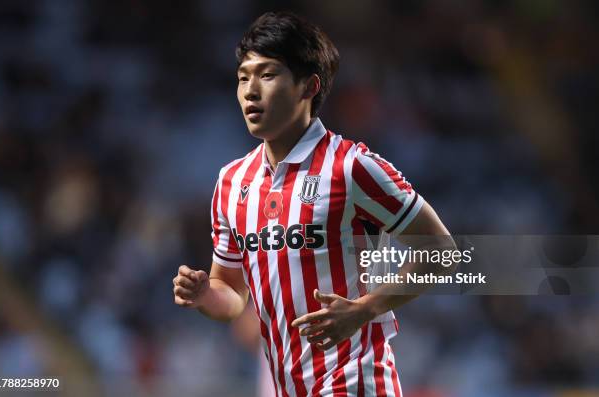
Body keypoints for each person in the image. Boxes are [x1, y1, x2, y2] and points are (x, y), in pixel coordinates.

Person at [173, 11, 454, 397]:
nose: (250, 90)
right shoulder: (231, 181)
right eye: (243, 77)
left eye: (267, 75)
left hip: (356, 383)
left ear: (309, 87)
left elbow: (442, 251)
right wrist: (205, 294)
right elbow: (232, 295)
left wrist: (365, 309)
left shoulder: (352, 168)